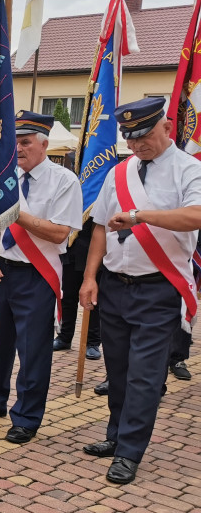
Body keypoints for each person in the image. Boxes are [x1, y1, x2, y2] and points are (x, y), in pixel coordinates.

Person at [80, 98, 201, 484]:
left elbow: (195, 215)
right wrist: (89, 277)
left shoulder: (189, 170)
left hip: (159, 289)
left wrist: (139, 215)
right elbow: (99, 226)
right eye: (130, 139)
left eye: (145, 136)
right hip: (116, 286)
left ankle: (130, 452)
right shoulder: (119, 172)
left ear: (166, 127)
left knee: (145, 376)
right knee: (118, 370)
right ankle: (115, 437)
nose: (137, 146)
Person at [0, 112, 82, 443]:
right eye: (16, 142)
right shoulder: (3, 178)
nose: (20, 148)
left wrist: (18, 214)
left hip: (37, 275)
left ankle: (27, 417)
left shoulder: (64, 181)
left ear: (44, 144)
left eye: (26, 142)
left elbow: (59, 234)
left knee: (32, 351)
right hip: (2, 271)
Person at [53, 218, 102, 360]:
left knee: (93, 301)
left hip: (92, 249)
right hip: (71, 248)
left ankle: (92, 342)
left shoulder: (98, 194)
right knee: (67, 296)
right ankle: (64, 337)